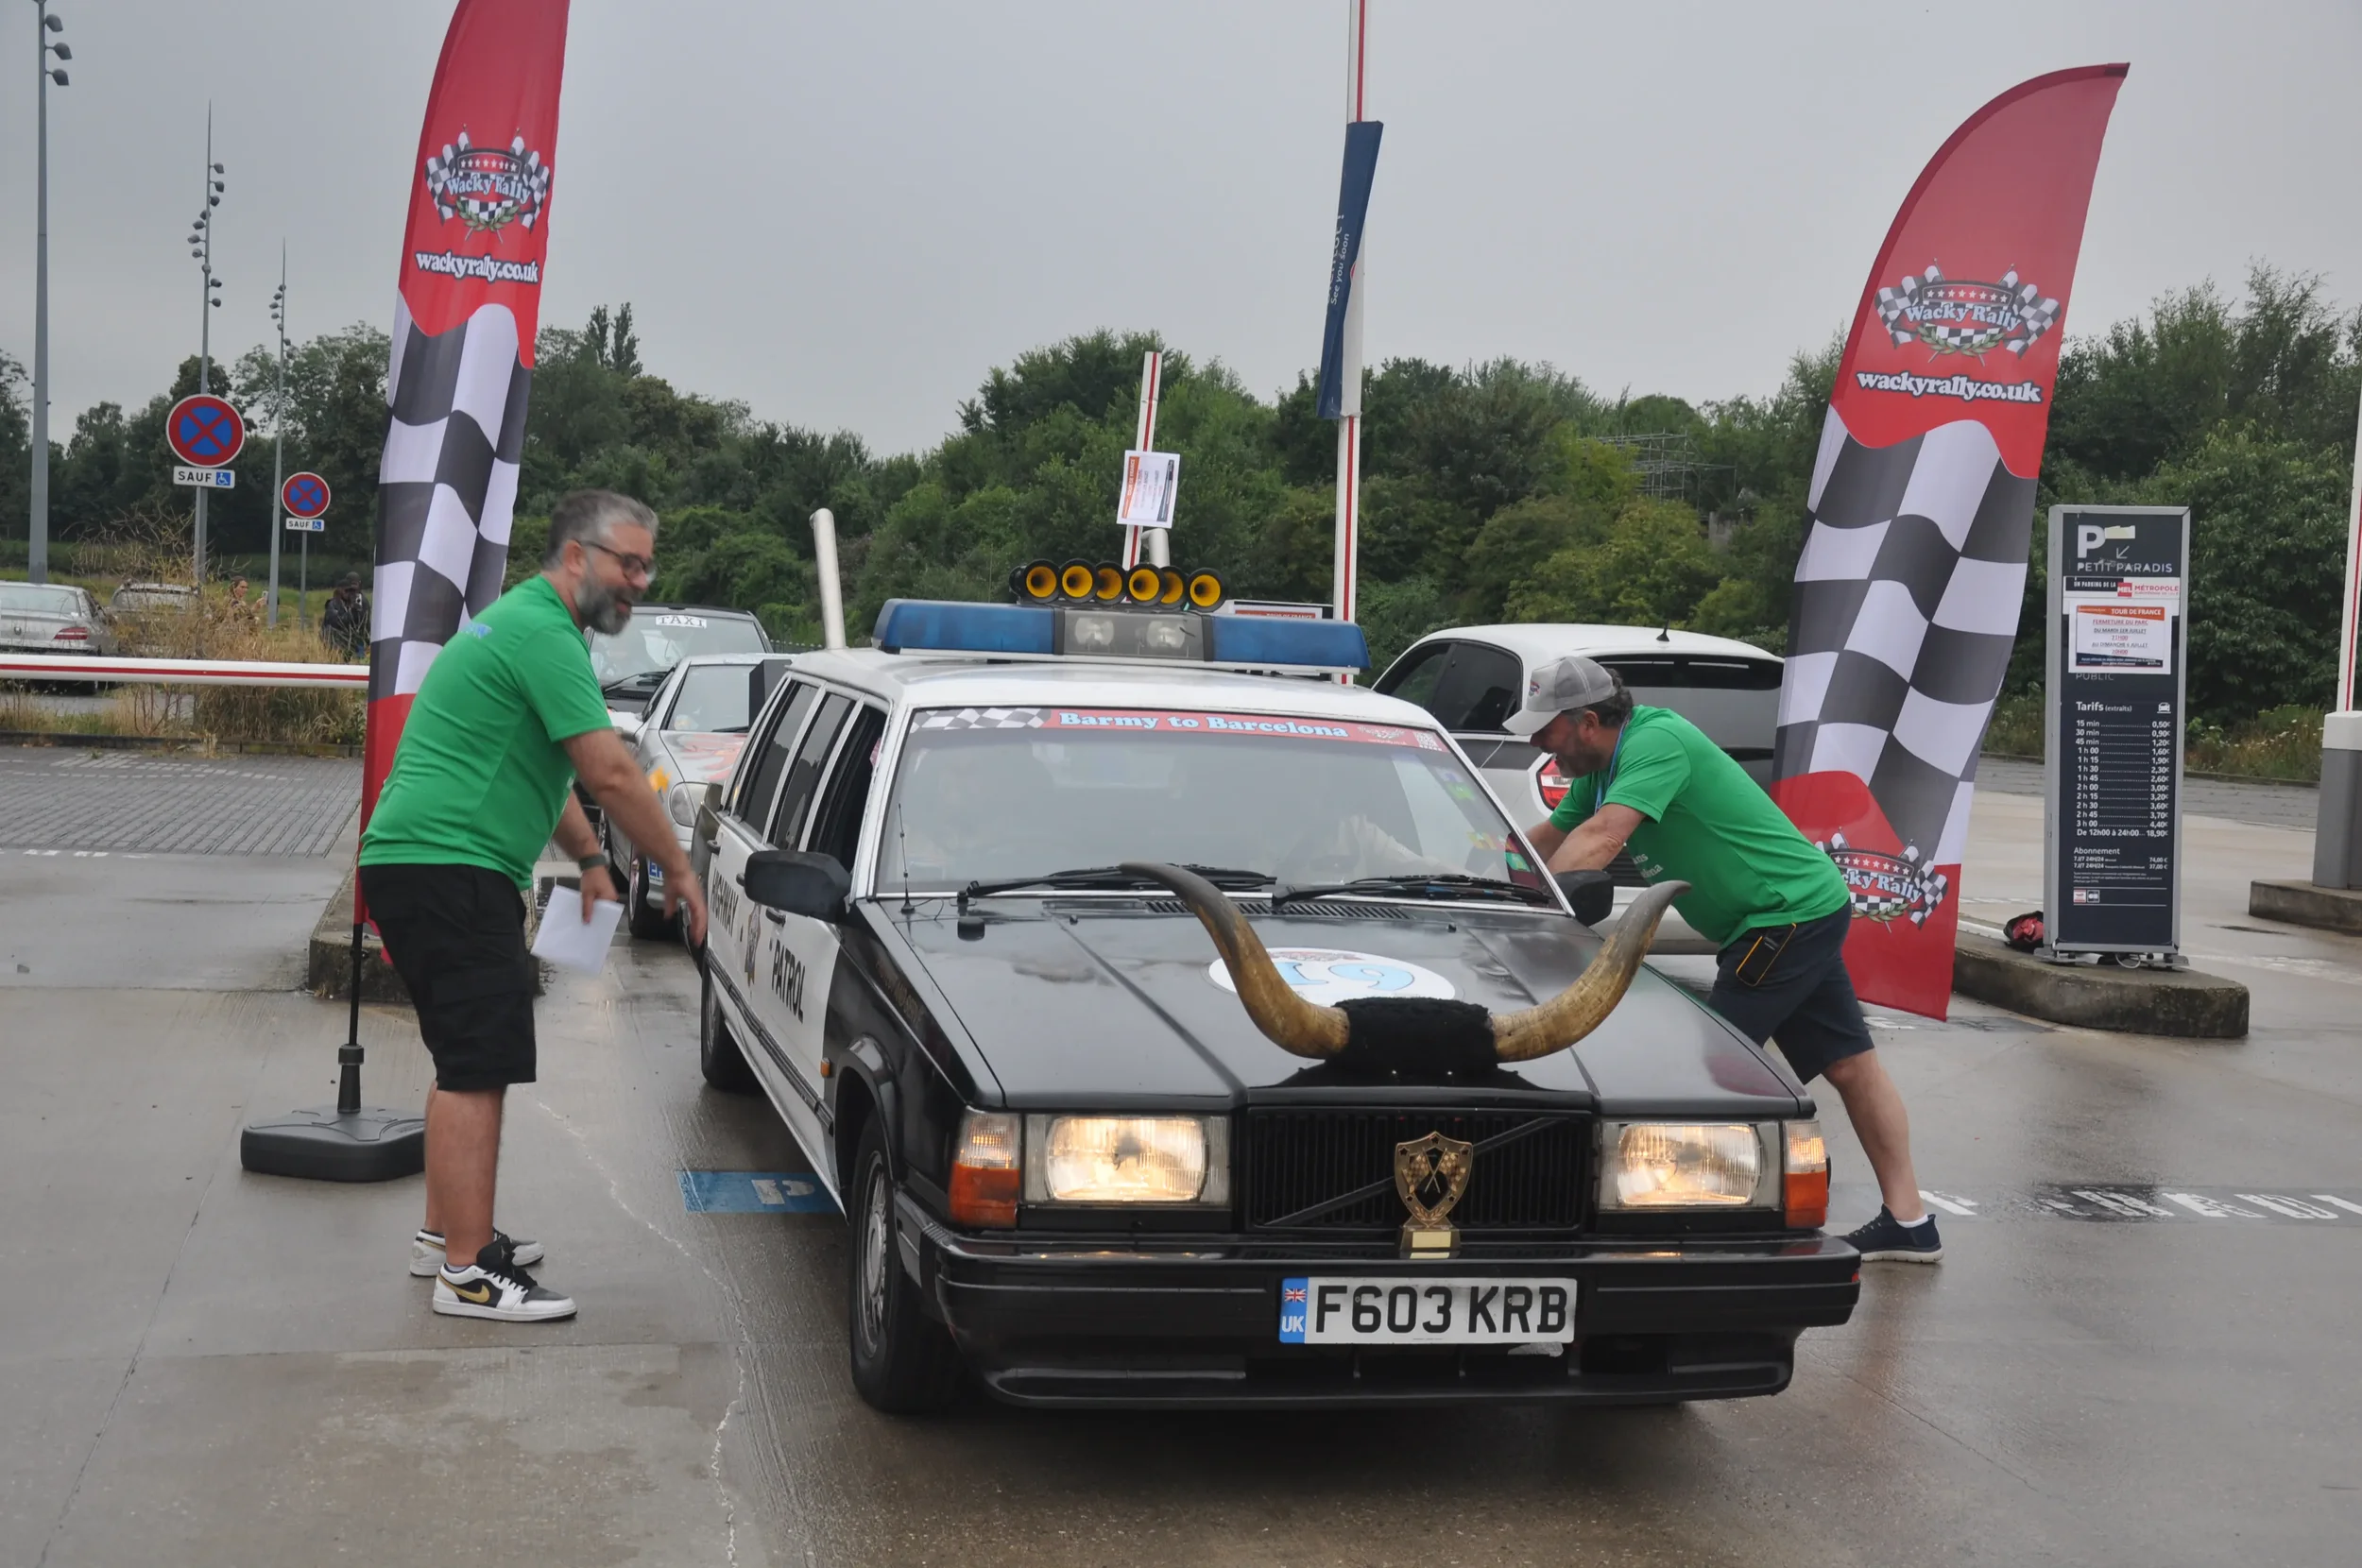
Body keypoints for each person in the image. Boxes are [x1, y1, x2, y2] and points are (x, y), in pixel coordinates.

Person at [358, 490, 710, 1321]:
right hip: (450, 866)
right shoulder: (543, 632)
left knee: (465, 1059)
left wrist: (589, 858)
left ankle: (446, 1236)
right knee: (478, 1064)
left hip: (428, 862)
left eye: (648, 567)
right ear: (577, 556)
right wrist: (680, 868)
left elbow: (545, 766)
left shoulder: (526, 624)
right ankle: (468, 1273)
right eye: (629, 564)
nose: (641, 582)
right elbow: (610, 771)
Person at [1513, 655, 1941, 1263]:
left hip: (1782, 917)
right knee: (1851, 1067)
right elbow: (1546, 841)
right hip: (1798, 908)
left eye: (1545, 729)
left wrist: (1539, 912)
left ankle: (1714, 1214)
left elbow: (1602, 838)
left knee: (1711, 1072)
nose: (1537, 743)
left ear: (1586, 721)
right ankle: (1911, 1222)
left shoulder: (1656, 741)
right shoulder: (1599, 772)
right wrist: (1479, 870)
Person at [322, 572, 369, 657]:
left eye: (352, 590)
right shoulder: (334, 604)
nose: (350, 593)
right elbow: (339, 622)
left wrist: (355, 609)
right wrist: (352, 612)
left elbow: (361, 622)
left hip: (356, 642)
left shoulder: (358, 600)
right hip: (336, 644)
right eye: (347, 590)